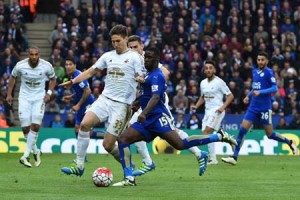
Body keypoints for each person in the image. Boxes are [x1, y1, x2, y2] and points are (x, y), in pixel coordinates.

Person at [112, 47, 237, 186]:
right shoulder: (148, 75)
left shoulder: (157, 76)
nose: (146, 60)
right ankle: (129, 178)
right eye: (145, 57)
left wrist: (143, 113)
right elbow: (147, 95)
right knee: (123, 139)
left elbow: (155, 97)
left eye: (149, 58)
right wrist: (137, 103)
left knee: (180, 144)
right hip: (147, 120)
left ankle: (219, 136)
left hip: (158, 118)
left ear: (157, 60)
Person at [60, 24, 144, 176]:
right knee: (84, 125)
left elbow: (142, 77)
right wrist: (73, 82)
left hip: (122, 106)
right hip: (105, 99)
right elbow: (91, 72)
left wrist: (140, 79)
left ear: (126, 38)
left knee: (108, 144)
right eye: (113, 41)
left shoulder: (135, 58)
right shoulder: (108, 56)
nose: (115, 44)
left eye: (118, 41)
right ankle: (79, 165)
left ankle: (128, 164)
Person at [128, 35, 203, 177]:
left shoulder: (147, 57)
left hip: (157, 100)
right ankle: (148, 162)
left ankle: (198, 153)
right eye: (130, 47)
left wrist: (146, 82)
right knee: (134, 127)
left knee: (169, 130)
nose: (133, 50)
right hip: (144, 100)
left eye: (135, 47)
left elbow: (166, 73)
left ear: (142, 46)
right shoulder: (131, 60)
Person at [222, 52, 298, 165]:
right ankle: (234, 157)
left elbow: (274, 88)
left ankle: (289, 142)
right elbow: (255, 87)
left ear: (266, 61)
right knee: (242, 130)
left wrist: (260, 92)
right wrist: (248, 96)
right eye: (258, 60)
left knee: (270, 135)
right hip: (253, 107)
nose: (260, 62)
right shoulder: (255, 72)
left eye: (262, 60)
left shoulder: (269, 72)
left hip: (265, 108)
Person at [6, 46, 56, 167]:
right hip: (24, 97)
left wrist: (49, 93)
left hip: (39, 98)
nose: (34, 57)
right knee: (25, 128)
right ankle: (36, 151)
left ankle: (25, 155)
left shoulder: (47, 66)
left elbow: (53, 79)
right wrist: (9, 94)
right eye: (32, 54)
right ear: (28, 55)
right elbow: (12, 77)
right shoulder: (20, 65)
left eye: (36, 54)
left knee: (35, 125)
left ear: (39, 55)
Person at [192, 60, 234, 165]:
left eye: (210, 68)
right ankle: (214, 158)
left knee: (207, 133)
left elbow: (230, 96)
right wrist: (196, 106)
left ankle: (224, 139)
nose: (208, 70)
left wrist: (223, 107)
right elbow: (203, 97)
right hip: (207, 112)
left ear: (214, 70)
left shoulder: (219, 82)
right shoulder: (203, 83)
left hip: (217, 110)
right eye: (206, 68)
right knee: (206, 135)